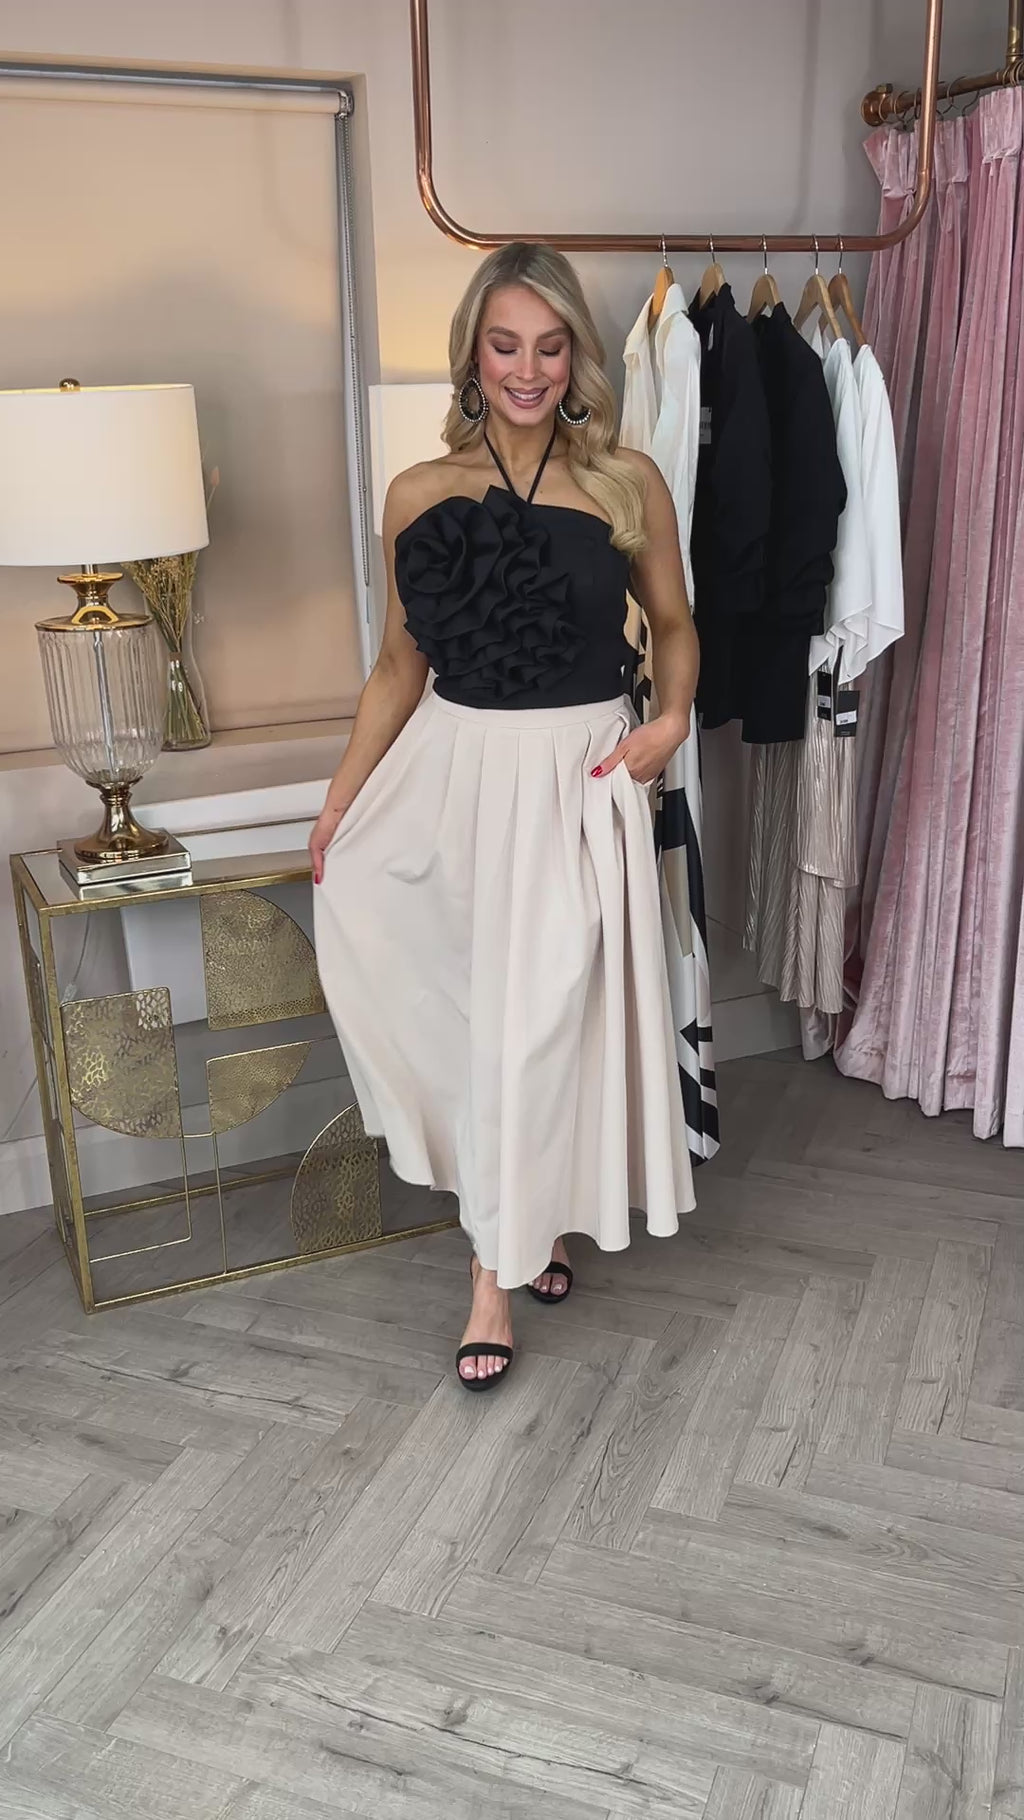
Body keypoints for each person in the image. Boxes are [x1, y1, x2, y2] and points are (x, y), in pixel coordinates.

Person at [311, 242, 699, 1390]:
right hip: (454, 776)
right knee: (487, 1022)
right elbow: (398, 666)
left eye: (549, 345)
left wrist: (672, 719)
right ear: (471, 356)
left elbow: (675, 623)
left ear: (576, 356)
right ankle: (496, 1270)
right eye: (504, 345)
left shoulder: (625, 481)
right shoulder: (416, 492)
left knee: (553, 1020)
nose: (527, 370)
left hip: (580, 777)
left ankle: (535, 1219)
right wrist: (340, 802)